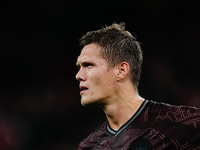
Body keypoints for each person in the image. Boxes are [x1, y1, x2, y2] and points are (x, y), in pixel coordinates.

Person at [75, 22, 200, 150]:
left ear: (121, 71)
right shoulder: (88, 146)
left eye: (88, 65)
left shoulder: (182, 123)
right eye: (79, 67)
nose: (78, 75)